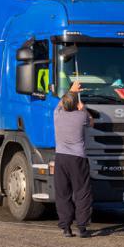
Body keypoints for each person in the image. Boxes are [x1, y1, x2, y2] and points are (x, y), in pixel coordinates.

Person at [54, 80, 94, 238]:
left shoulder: (57, 115)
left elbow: (60, 103)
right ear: (76, 105)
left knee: (63, 193)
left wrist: (72, 90)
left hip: (61, 158)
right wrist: (82, 106)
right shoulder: (81, 116)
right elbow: (92, 122)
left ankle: (66, 228)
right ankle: (82, 228)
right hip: (78, 159)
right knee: (82, 192)